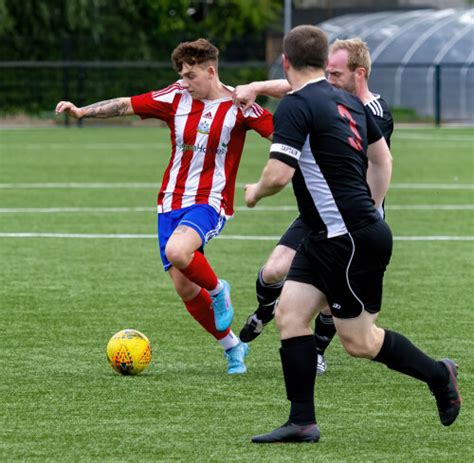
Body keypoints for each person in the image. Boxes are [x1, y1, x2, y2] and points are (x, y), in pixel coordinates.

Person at [243, 25, 460, 443]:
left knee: (359, 342)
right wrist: (373, 208)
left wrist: (255, 192)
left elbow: (277, 176)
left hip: (348, 239)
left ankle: (438, 374)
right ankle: (302, 421)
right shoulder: (347, 101)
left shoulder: (294, 105)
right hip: (331, 234)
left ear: (286, 63)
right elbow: (382, 160)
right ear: (325, 64)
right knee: (290, 315)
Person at [55, 38, 273, 374]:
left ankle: (219, 290)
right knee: (185, 286)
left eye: (190, 75)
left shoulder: (239, 105)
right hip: (170, 202)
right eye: (182, 75)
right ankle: (232, 347)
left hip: (210, 200)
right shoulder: (176, 97)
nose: (185, 82)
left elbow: (281, 133)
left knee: (177, 251)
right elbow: (126, 104)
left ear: (210, 70)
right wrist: (83, 111)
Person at [233, 38, 393, 376]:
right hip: (318, 212)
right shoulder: (329, 96)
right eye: (327, 72)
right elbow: (300, 86)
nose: (328, 80)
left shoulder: (370, 111)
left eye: (335, 74)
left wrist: (372, 208)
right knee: (275, 271)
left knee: (334, 308)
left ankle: (317, 349)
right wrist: (257, 87)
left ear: (358, 74)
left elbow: (380, 162)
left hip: (353, 219)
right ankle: (266, 311)